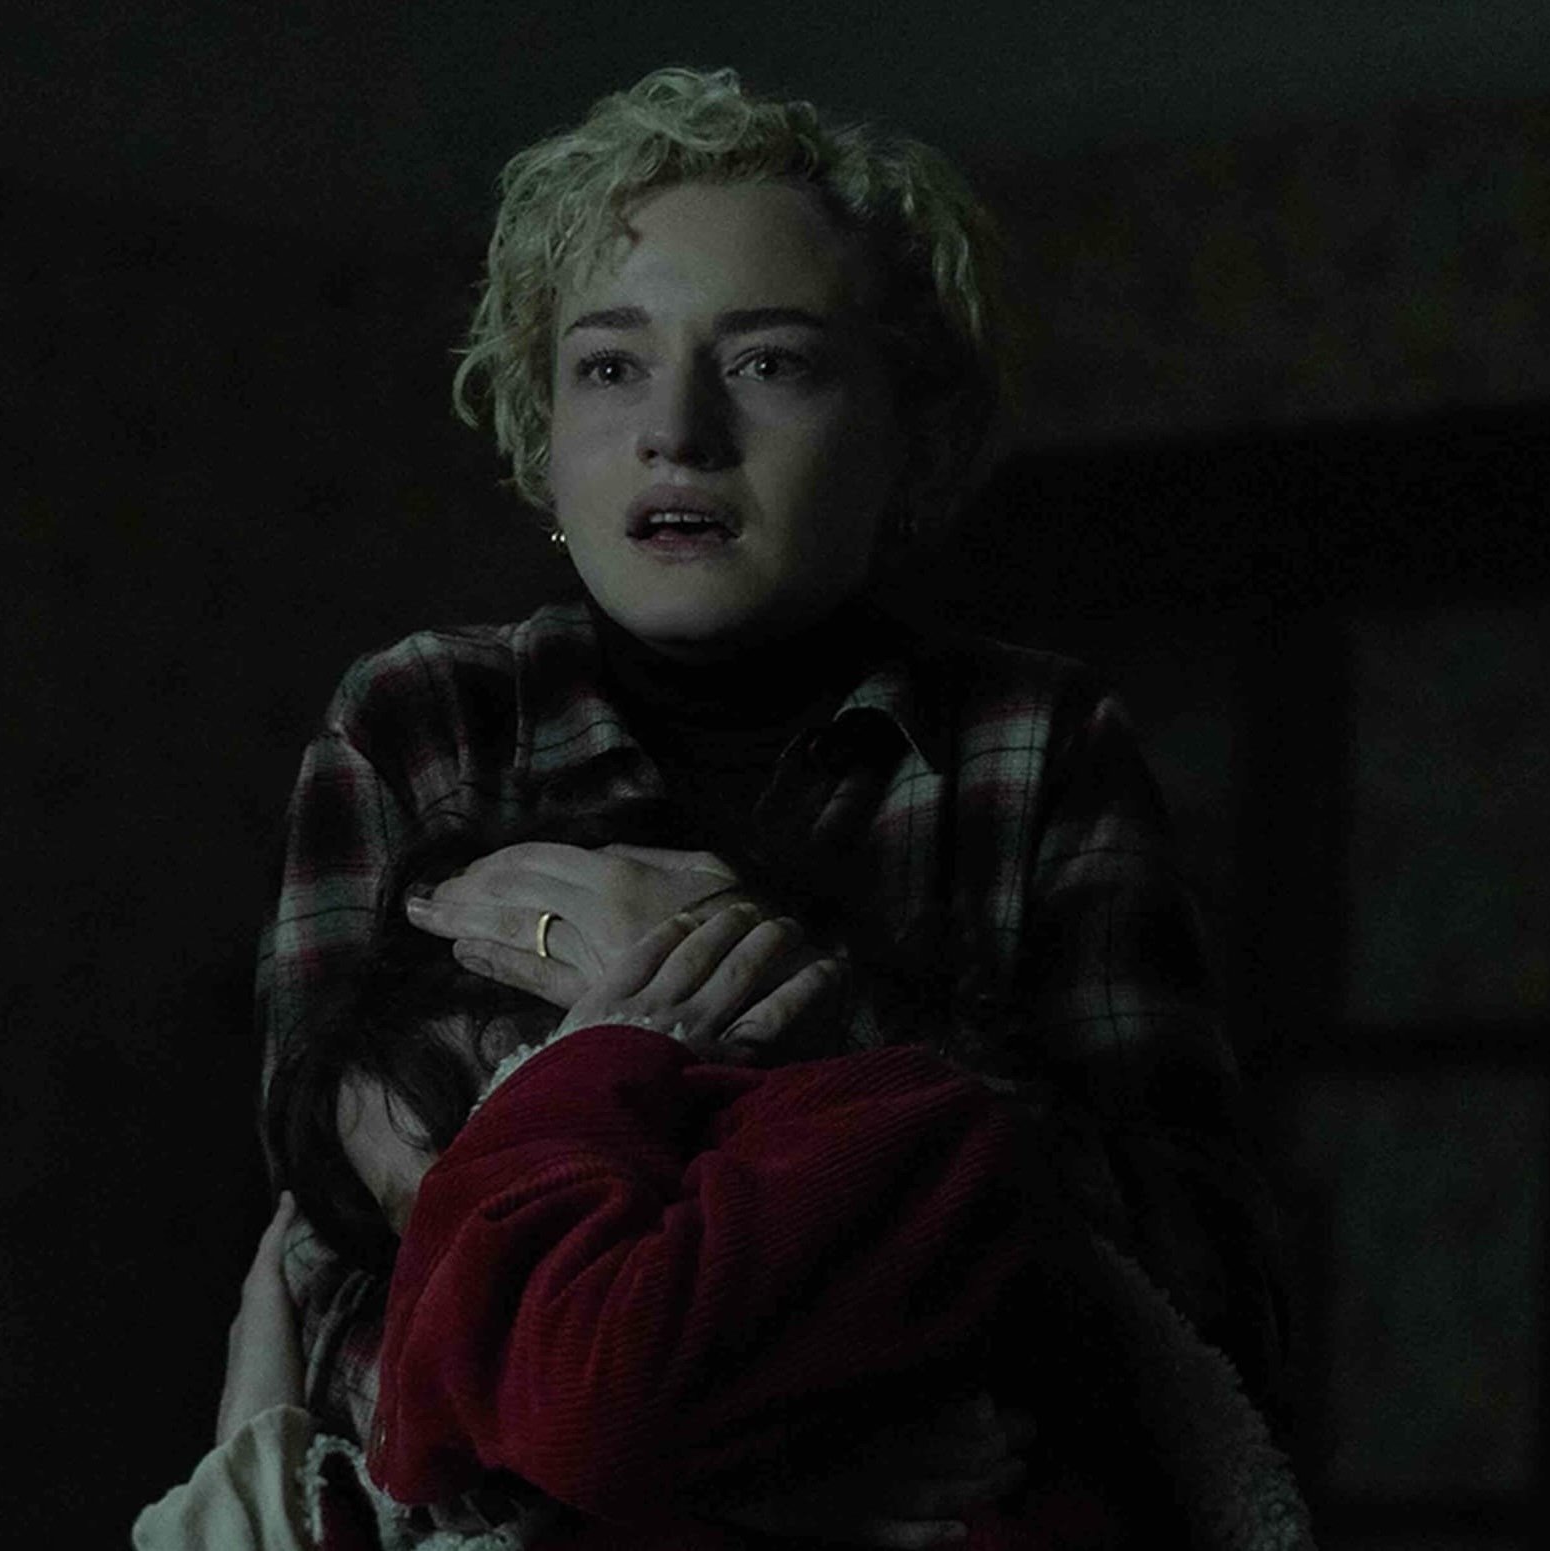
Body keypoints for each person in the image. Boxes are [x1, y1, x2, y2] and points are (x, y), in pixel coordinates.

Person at [252, 59, 1284, 1527]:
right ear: (544, 430)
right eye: (609, 367)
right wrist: (752, 1473)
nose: (677, 429)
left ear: (906, 430)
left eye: (769, 364)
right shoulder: (420, 723)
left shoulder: (1030, 746)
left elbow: (1192, 1279)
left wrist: (800, 1010)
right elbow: (336, 1272)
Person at [140, 899, 1309, 1549]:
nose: (467, 1231)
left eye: (494, 1125)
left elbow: (602, 1396)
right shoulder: (520, 1436)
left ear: (635, 1050)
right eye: (426, 1217)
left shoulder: (897, 1124)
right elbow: (439, 1442)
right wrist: (257, 1418)